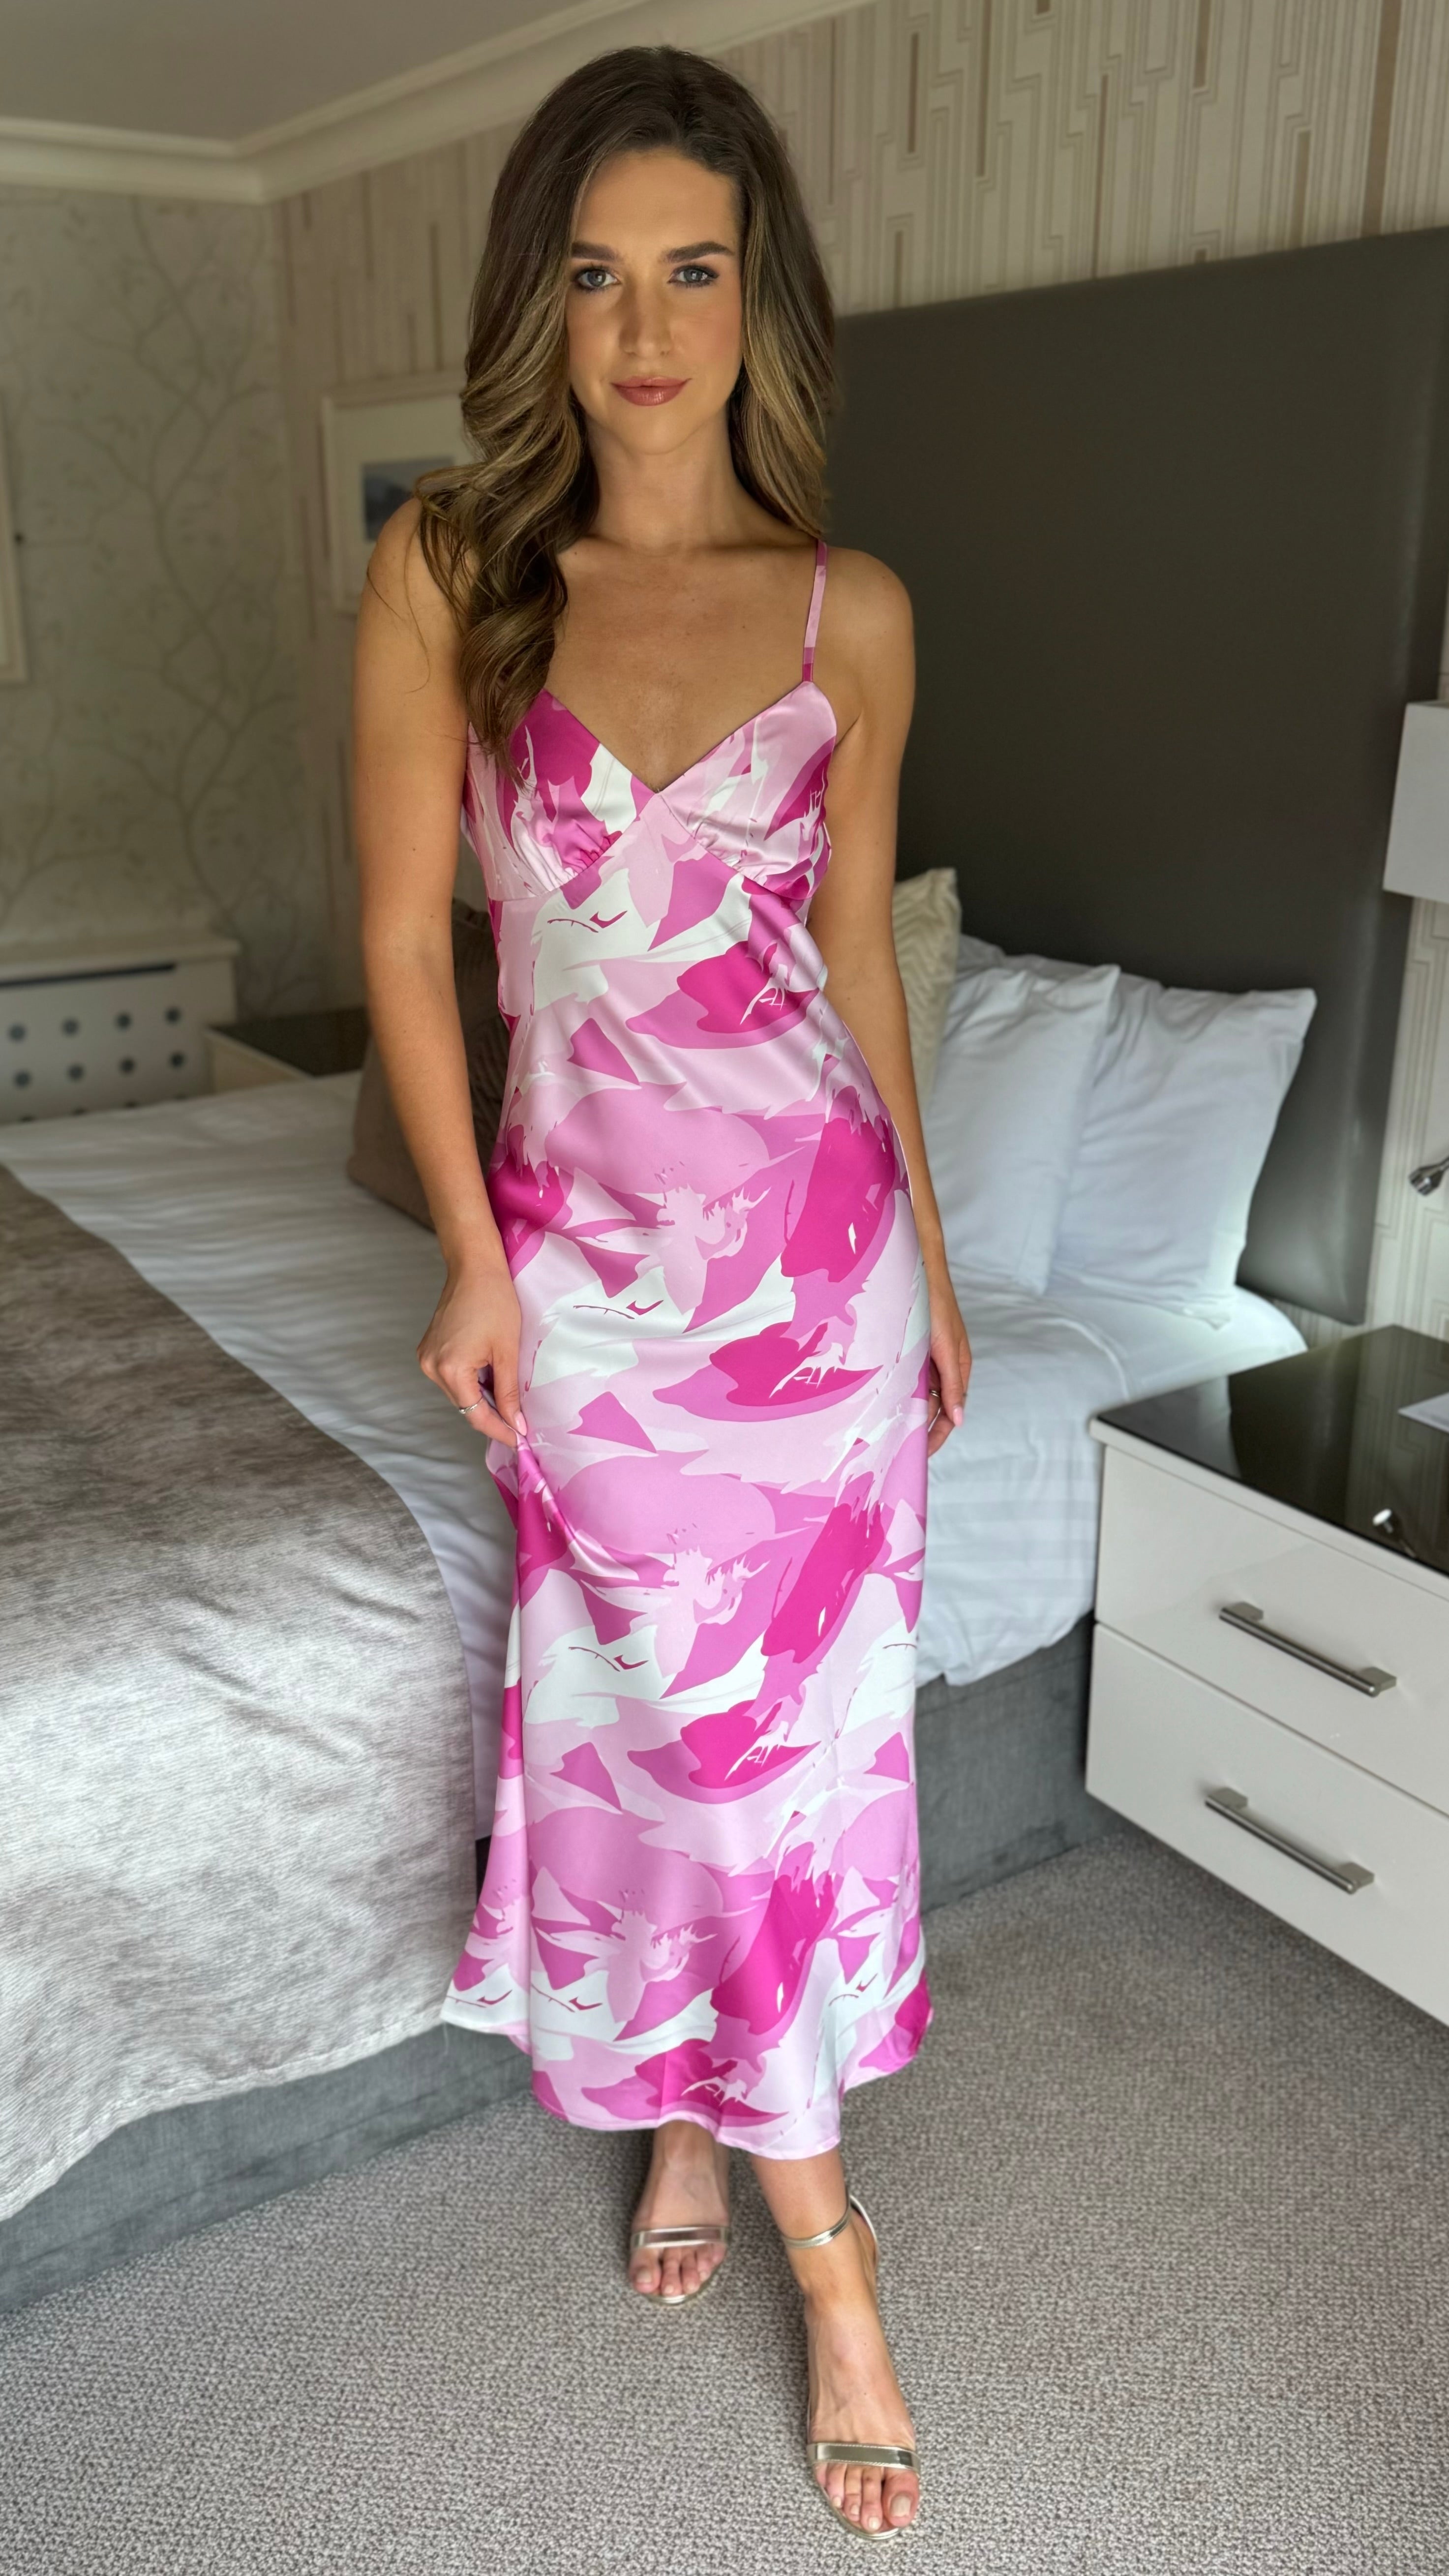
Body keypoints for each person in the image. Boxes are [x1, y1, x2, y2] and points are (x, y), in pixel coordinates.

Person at [352, 45, 970, 2544]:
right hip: (591, 1300)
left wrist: (934, 1267)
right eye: (594, 275)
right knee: (667, 1745)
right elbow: (401, 940)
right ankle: (799, 2208)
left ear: (754, 298)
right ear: (542, 303)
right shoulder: (452, 573)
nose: (642, 329)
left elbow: (857, 961)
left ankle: (770, 2189)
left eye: (689, 271)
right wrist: (468, 1254)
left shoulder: (855, 610)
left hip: (820, 1292)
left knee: (786, 1765)